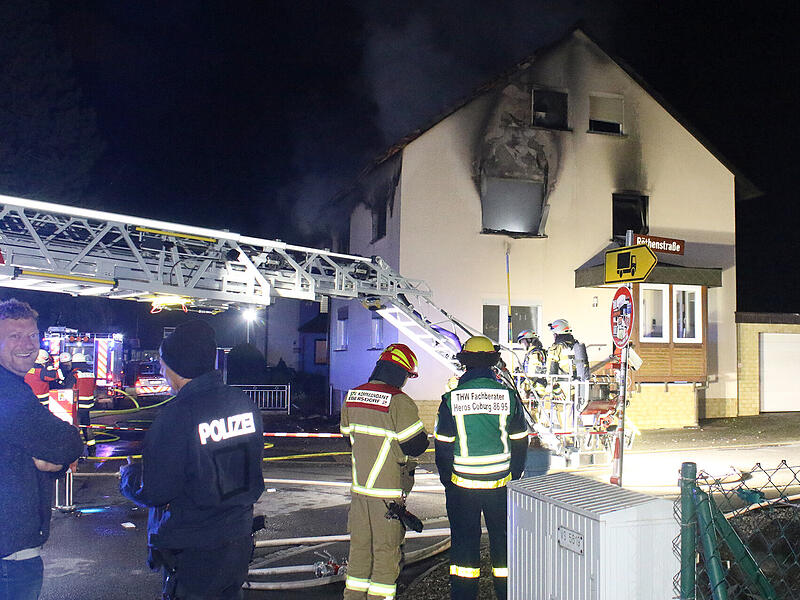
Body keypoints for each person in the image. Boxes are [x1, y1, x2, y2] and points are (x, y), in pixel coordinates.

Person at [120, 320, 264, 600]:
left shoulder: (177, 416)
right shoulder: (242, 403)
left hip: (194, 547)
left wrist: (128, 476)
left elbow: (157, 490)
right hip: (237, 538)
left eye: (163, 365)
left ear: (176, 368)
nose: (161, 372)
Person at [0, 299, 84, 600]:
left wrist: (52, 459)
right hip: (10, 551)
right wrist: (59, 461)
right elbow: (69, 443)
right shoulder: (6, 391)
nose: (27, 344)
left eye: (33, 335)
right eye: (14, 336)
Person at [434, 335, 528, 600]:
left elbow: (443, 446)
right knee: (504, 544)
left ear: (466, 363)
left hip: (462, 487)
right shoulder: (508, 396)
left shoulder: (452, 398)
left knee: (464, 546)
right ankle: (507, 593)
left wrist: (447, 480)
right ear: (492, 361)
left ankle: (464, 595)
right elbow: (520, 441)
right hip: (500, 485)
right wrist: (514, 475)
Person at [340, 343, 429, 600]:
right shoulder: (400, 402)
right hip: (387, 497)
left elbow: (349, 439)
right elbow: (416, 445)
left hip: (359, 494)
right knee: (385, 556)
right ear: (401, 372)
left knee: (358, 553)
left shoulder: (353, 395)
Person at [71, 354, 96, 456]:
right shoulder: (91, 374)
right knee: (87, 426)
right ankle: (92, 448)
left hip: (78, 405)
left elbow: (71, 388)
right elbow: (94, 388)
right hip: (88, 405)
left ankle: (76, 451)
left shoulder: (75, 374)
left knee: (75, 427)